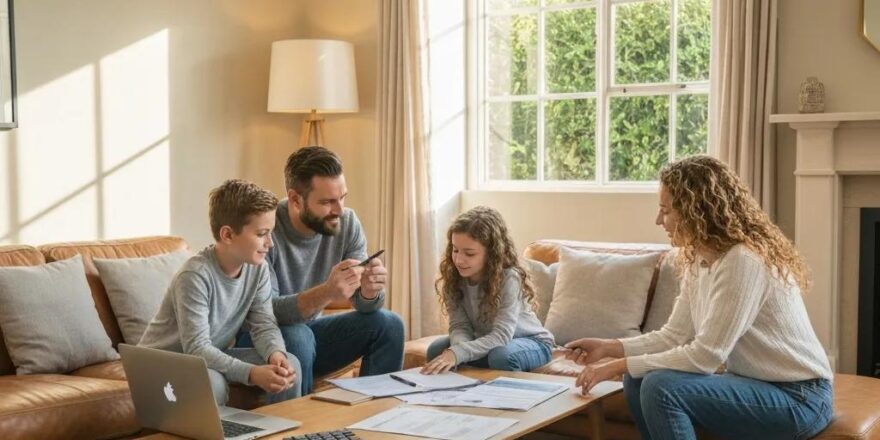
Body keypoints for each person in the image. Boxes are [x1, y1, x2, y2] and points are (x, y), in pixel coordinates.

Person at [565, 155, 834, 440]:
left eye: (665, 210)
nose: (658, 221)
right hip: (753, 385)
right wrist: (609, 348)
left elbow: (706, 356)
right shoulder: (699, 260)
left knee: (659, 386)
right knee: (638, 379)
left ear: (696, 211)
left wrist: (617, 366)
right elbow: (674, 335)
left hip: (800, 398)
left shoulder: (743, 260)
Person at [237, 146, 404, 394]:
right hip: (259, 338)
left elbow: (364, 305)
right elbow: (265, 312)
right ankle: (300, 419)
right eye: (327, 202)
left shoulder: (347, 223)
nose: (339, 210)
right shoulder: (265, 229)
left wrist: (369, 293)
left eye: (342, 198)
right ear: (295, 199)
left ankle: (376, 413)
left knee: (389, 324)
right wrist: (326, 292)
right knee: (297, 337)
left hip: (309, 332)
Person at [139, 179, 300, 405]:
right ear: (227, 235)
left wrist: (276, 354)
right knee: (213, 381)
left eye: (270, 233)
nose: (270, 243)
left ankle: (284, 427)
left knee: (290, 366)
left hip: (204, 356)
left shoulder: (259, 269)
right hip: (162, 364)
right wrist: (252, 373)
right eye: (262, 233)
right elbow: (197, 348)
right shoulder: (195, 276)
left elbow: (263, 324)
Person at [421, 206, 554, 374]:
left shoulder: (509, 278)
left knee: (500, 356)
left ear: (492, 254)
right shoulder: (454, 278)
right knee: (436, 349)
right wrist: (458, 351)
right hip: (488, 343)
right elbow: (460, 326)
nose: (459, 260)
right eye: (455, 250)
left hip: (530, 342)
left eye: (469, 254)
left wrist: (459, 354)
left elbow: (502, 335)